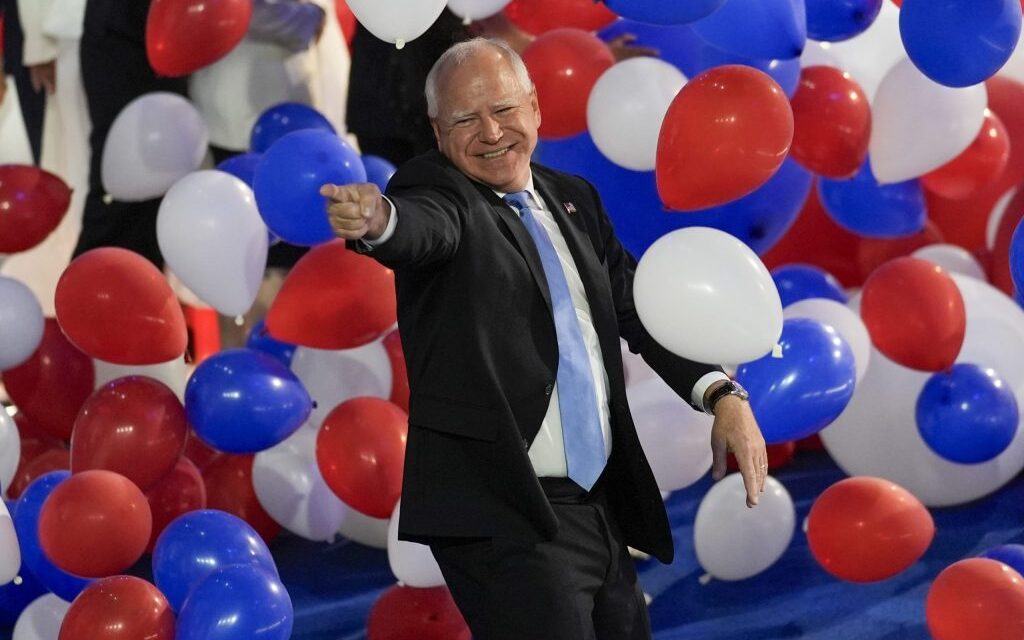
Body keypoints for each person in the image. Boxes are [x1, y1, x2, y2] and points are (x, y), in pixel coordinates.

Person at [323, 38, 768, 640]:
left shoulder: (574, 198)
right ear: (436, 131)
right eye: (464, 119)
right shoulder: (440, 189)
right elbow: (417, 226)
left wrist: (721, 394)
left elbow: (640, 309)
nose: (490, 132)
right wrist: (378, 221)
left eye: (504, 110)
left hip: (598, 501)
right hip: (504, 507)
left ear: (534, 107)